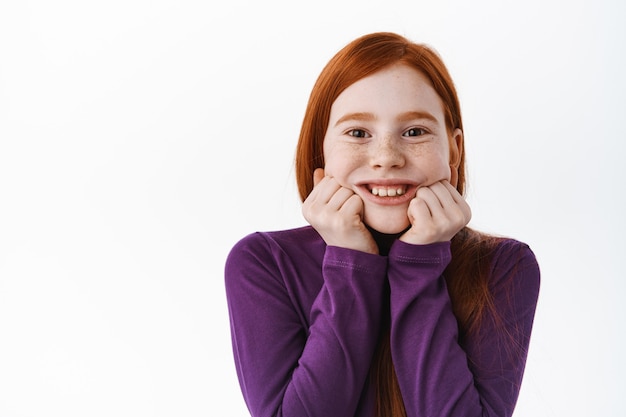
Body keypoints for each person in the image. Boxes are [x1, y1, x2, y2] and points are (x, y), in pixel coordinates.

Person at [224, 32, 540, 417]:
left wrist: (419, 266)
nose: (386, 158)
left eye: (414, 132)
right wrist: (350, 265)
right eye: (358, 133)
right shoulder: (263, 262)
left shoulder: (505, 266)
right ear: (320, 149)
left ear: (453, 149)